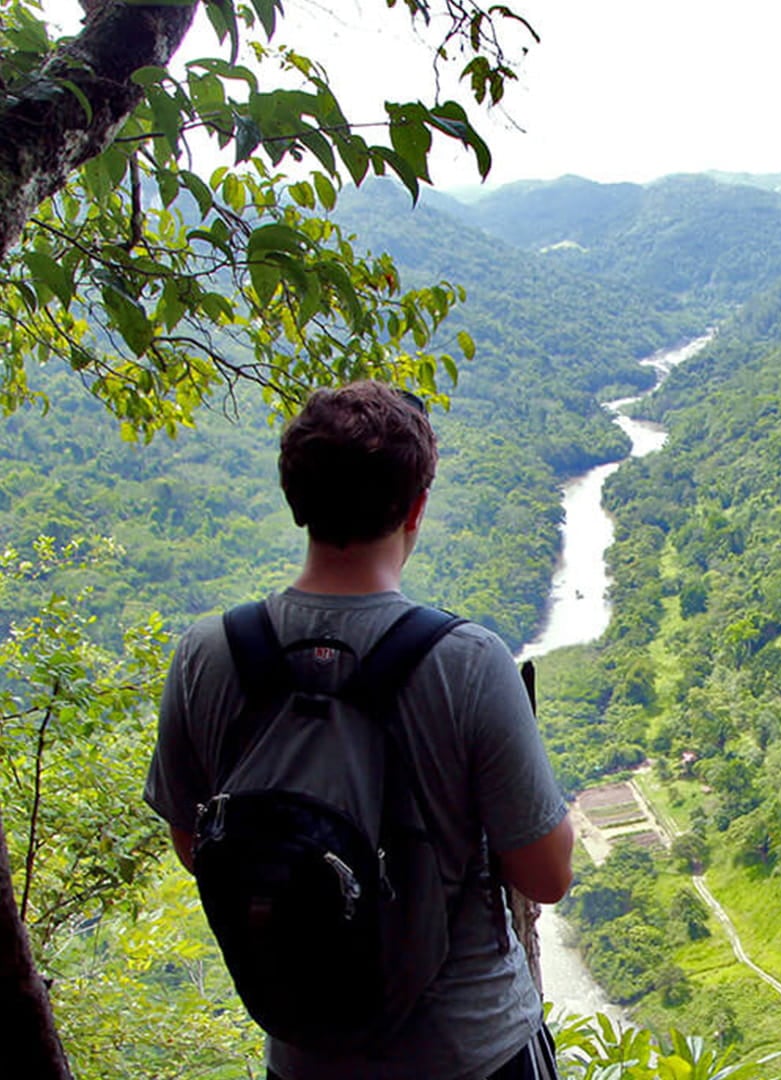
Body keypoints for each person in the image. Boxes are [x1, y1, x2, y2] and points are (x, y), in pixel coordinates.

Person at [145, 381, 576, 1080]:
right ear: (417, 508)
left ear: (296, 500)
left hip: (305, 1053)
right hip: (469, 1049)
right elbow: (546, 874)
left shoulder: (209, 653)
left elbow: (199, 849)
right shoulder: (466, 663)